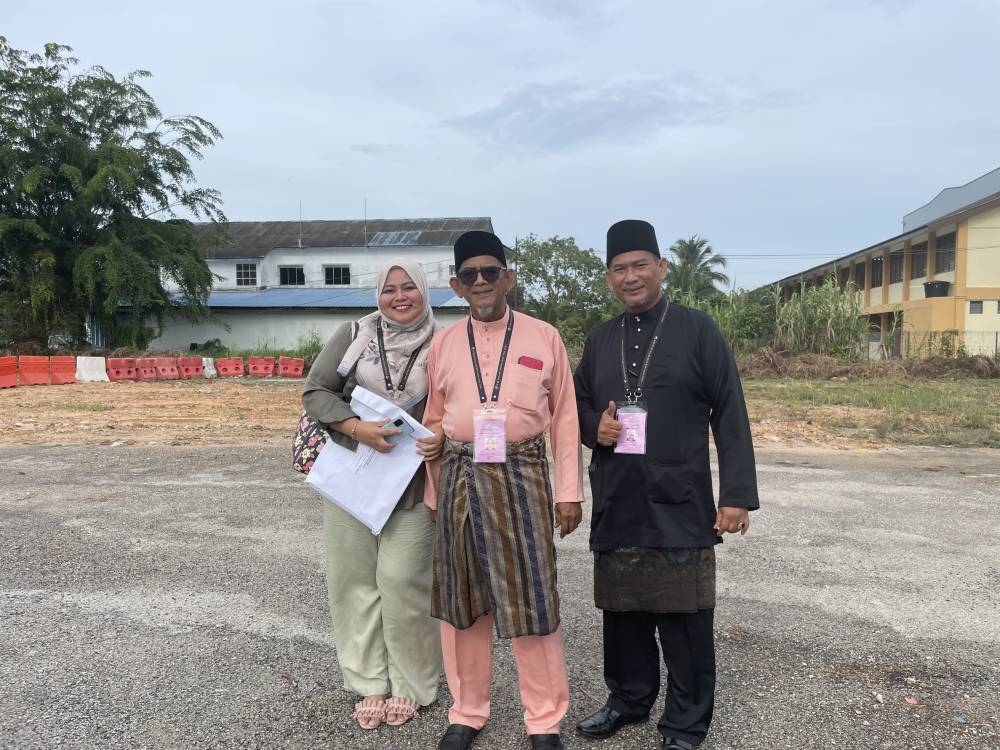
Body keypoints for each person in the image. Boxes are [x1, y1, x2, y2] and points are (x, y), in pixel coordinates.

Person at [573, 220, 759, 750]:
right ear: (608, 277)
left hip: (681, 496)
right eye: (619, 269)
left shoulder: (697, 329)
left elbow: (730, 410)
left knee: (685, 617)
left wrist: (736, 495)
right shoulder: (601, 337)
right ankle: (628, 699)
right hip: (619, 492)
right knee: (624, 611)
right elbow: (579, 404)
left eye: (639, 265)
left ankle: (685, 722)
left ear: (662, 268)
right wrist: (596, 429)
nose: (630, 277)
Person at [422, 230, 583, 750]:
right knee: (463, 599)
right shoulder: (443, 344)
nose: (481, 282)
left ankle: (544, 720)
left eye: (491, 272)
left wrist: (569, 491)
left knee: (532, 596)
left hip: (523, 472)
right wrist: (433, 490)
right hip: (460, 477)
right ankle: (467, 711)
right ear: (456, 285)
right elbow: (433, 421)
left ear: (508, 278)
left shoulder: (543, 336)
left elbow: (564, 418)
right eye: (469, 275)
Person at [301, 258, 445, 731]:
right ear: (377, 294)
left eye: (409, 288)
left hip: (412, 482)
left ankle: (412, 683)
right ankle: (369, 682)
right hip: (353, 476)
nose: (399, 297)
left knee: (405, 582)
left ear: (426, 292)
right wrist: (355, 427)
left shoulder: (445, 343)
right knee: (352, 580)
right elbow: (316, 392)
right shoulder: (354, 334)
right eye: (389, 289)